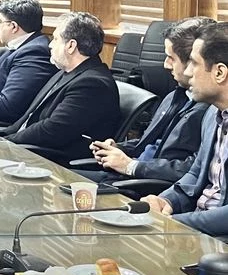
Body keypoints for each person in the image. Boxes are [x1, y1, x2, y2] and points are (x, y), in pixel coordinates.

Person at [76, 18, 212, 187]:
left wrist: (131, 166)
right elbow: (149, 143)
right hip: (126, 175)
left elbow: (192, 170)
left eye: (171, 58)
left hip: (146, 186)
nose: (166, 65)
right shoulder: (174, 96)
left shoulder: (210, 111)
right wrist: (119, 148)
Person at [0, 11, 120, 164]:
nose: (50, 45)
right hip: (26, 150)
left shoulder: (92, 84)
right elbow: (29, 117)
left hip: (52, 160)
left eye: (55, 39)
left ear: (71, 46)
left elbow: (52, 130)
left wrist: (6, 143)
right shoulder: (65, 72)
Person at [143, 22, 228, 236]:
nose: (188, 72)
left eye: (194, 63)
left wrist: (174, 223)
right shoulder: (212, 114)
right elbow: (196, 173)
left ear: (219, 72)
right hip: (193, 230)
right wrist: (166, 200)